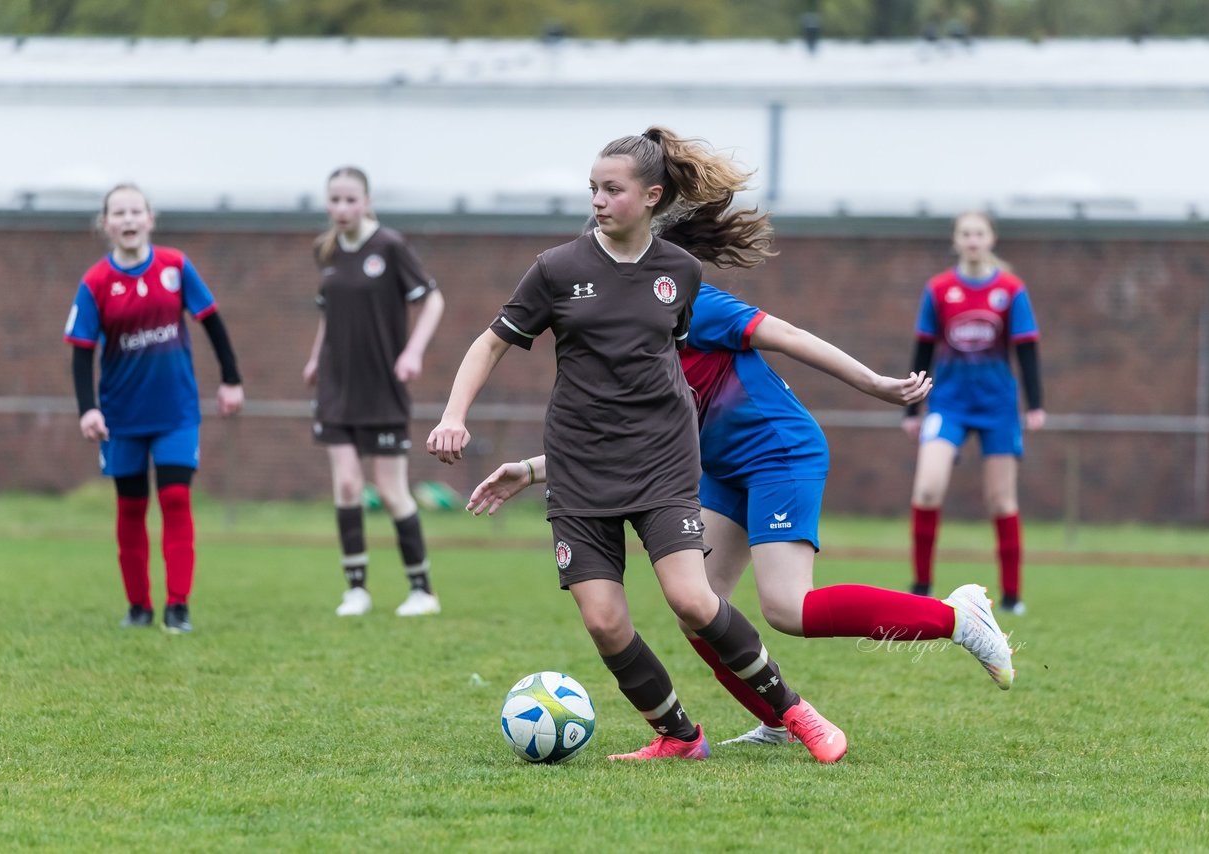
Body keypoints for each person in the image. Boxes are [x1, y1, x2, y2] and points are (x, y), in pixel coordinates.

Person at [428, 127, 847, 763]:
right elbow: (490, 343)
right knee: (604, 621)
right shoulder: (557, 270)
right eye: (592, 188)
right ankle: (680, 736)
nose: (597, 200)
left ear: (651, 197)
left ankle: (794, 712)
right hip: (579, 469)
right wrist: (455, 414)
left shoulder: (679, 273)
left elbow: (664, 365)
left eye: (611, 189)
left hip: (662, 464)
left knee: (692, 599)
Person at [468, 278, 1017, 748]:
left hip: (779, 451)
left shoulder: (693, 303)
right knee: (697, 607)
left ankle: (957, 618)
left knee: (787, 608)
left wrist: (875, 384)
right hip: (717, 468)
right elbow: (618, 442)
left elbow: (793, 337)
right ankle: (777, 719)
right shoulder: (622, 336)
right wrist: (534, 469)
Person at [64, 183, 245, 634]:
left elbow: (213, 323)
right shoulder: (95, 282)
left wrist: (231, 380)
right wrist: (89, 410)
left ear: (150, 218)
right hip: (122, 415)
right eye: (118, 213)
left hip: (176, 410)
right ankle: (138, 607)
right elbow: (82, 351)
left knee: (175, 498)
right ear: (106, 224)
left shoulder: (176, 267)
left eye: (135, 211)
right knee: (130, 507)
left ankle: (177, 606)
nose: (127, 220)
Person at [303, 167, 446, 618]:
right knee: (346, 484)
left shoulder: (389, 246)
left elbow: (433, 299)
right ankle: (356, 590)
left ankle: (423, 591)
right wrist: (314, 357)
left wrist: (413, 352)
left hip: (382, 388)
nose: (342, 208)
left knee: (390, 491)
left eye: (350, 199)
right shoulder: (326, 251)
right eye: (335, 200)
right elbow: (328, 314)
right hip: (336, 386)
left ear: (366, 201)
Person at [903, 211, 1045, 615]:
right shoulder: (939, 289)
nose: (972, 239)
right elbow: (924, 349)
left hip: (998, 407)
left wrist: (1035, 405)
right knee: (928, 488)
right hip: (948, 404)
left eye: (979, 233)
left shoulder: (1011, 291)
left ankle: (1012, 596)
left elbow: (1028, 350)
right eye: (965, 233)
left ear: (991, 239)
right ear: (956, 240)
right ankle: (921, 587)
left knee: (1001, 500)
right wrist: (912, 408)